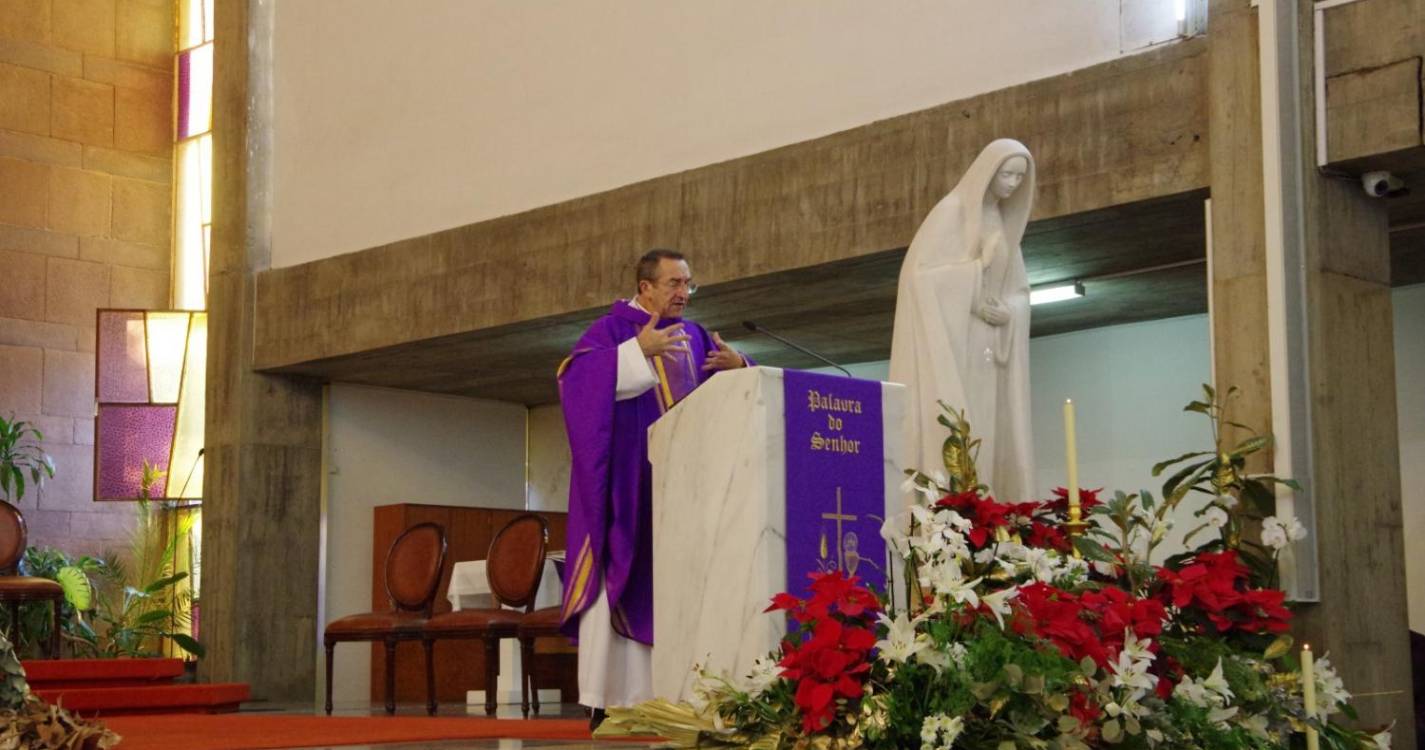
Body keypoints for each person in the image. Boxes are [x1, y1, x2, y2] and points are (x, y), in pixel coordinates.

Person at [557, 248, 748, 725]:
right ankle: (608, 699)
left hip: (682, 494)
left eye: (689, 284)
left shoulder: (696, 335)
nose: (683, 293)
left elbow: (720, 400)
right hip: (625, 489)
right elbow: (573, 380)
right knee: (617, 584)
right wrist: (633, 354)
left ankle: (673, 694)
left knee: (679, 590)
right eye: (673, 284)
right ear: (645, 287)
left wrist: (739, 367)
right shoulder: (611, 330)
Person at [888, 139, 1036, 503]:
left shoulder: (1002, 222)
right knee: (957, 428)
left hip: (989, 353)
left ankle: (990, 509)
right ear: (987, 171)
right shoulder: (951, 212)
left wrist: (1010, 312)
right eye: (1007, 174)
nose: (1013, 184)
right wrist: (976, 274)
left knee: (988, 433)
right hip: (956, 349)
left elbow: (1018, 291)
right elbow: (919, 280)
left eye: (1020, 177)